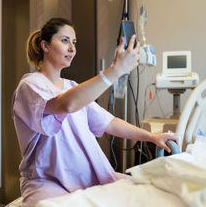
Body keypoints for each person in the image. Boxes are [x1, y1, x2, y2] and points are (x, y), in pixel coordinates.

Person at [12, 18, 177, 207]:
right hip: (48, 181)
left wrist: (152, 137)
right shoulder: (30, 85)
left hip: (88, 177)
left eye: (74, 43)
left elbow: (109, 122)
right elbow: (66, 105)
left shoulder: (72, 87)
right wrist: (116, 70)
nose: (72, 48)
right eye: (65, 40)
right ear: (45, 45)